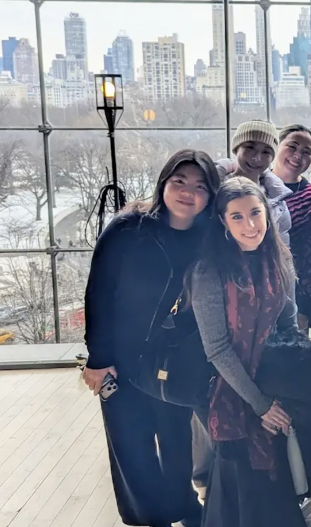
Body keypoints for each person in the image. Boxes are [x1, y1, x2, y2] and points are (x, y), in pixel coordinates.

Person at [82, 149, 219, 527]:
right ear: (163, 183)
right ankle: (149, 517)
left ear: (211, 195)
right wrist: (98, 357)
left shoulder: (211, 240)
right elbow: (98, 293)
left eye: (199, 186)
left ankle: (184, 507)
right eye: (179, 181)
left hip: (176, 361)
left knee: (176, 441)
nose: (187, 192)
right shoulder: (128, 229)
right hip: (121, 358)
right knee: (130, 444)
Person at [189, 177, 303, 527]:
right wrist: (260, 404)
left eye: (255, 213)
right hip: (229, 394)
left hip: (272, 386)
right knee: (237, 495)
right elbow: (218, 349)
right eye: (237, 217)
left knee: (275, 489)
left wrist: (285, 387)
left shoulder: (279, 260)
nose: (250, 225)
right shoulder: (209, 270)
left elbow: (290, 324)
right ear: (222, 221)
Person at [270, 124, 311, 333]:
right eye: (292, 147)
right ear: (277, 146)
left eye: (306, 152)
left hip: (292, 296)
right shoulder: (253, 186)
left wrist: (304, 307)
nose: (297, 156)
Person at [215, 119, 293, 246]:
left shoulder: (276, 197)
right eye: (250, 148)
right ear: (236, 149)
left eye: (266, 152)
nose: (257, 157)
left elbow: (283, 250)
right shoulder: (214, 189)